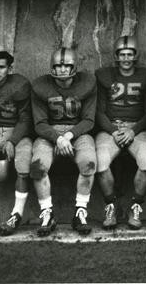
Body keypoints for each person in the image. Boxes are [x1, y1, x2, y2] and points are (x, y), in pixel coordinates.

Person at [30, 47, 97, 236]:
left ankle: (80, 211)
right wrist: (58, 137)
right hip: (49, 134)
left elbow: (89, 120)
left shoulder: (88, 83)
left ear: (74, 67)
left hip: (78, 133)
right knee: (37, 166)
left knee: (89, 163)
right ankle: (47, 212)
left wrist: (68, 135)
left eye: (66, 65)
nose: (62, 70)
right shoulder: (40, 86)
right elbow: (39, 123)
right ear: (52, 67)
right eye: (58, 66)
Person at [95, 35, 146, 230]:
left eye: (130, 54)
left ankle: (135, 206)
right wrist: (113, 131)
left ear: (136, 56)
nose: (126, 58)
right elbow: (99, 112)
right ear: (116, 56)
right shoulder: (105, 76)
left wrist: (133, 130)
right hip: (112, 127)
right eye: (122, 54)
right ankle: (111, 204)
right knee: (100, 162)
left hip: (137, 128)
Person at [0, 51, 33, 235]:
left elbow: (26, 118)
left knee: (23, 162)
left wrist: (13, 140)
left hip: (17, 132)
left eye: (1, 67)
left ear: (10, 69)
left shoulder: (20, 85)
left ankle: (16, 214)